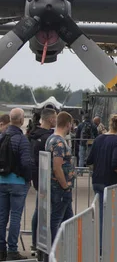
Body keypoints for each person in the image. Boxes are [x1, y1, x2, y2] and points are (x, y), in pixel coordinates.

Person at [85, 114, 117, 251]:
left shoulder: (98, 139)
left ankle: (100, 243)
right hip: (110, 181)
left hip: (97, 179)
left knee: (101, 213)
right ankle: (103, 246)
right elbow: (115, 163)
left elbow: (89, 160)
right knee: (108, 215)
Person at [0, 108, 32, 261]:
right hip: (18, 182)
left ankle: (1, 248)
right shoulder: (21, 139)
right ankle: (12, 249)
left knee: (1, 216)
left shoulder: (2, 136)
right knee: (15, 216)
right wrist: (27, 179)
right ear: (21, 121)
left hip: (2, 180)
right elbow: (26, 163)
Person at [29, 108, 56, 254]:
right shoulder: (48, 138)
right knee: (43, 210)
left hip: (37, 176)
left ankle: (35, 241)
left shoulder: (33, 135)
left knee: (39, 209)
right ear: (51, 119)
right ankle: (41, 242)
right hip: (46, 177)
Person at [46, 111, 75, 243]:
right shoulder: (58, 142)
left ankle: (67, 248)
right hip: (60, 188)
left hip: (61, 188)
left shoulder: (51, 138)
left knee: (69, 220)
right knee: (57, 219)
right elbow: (57, 167)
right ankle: (53, 250)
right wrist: (65, 185)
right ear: (68, 124)